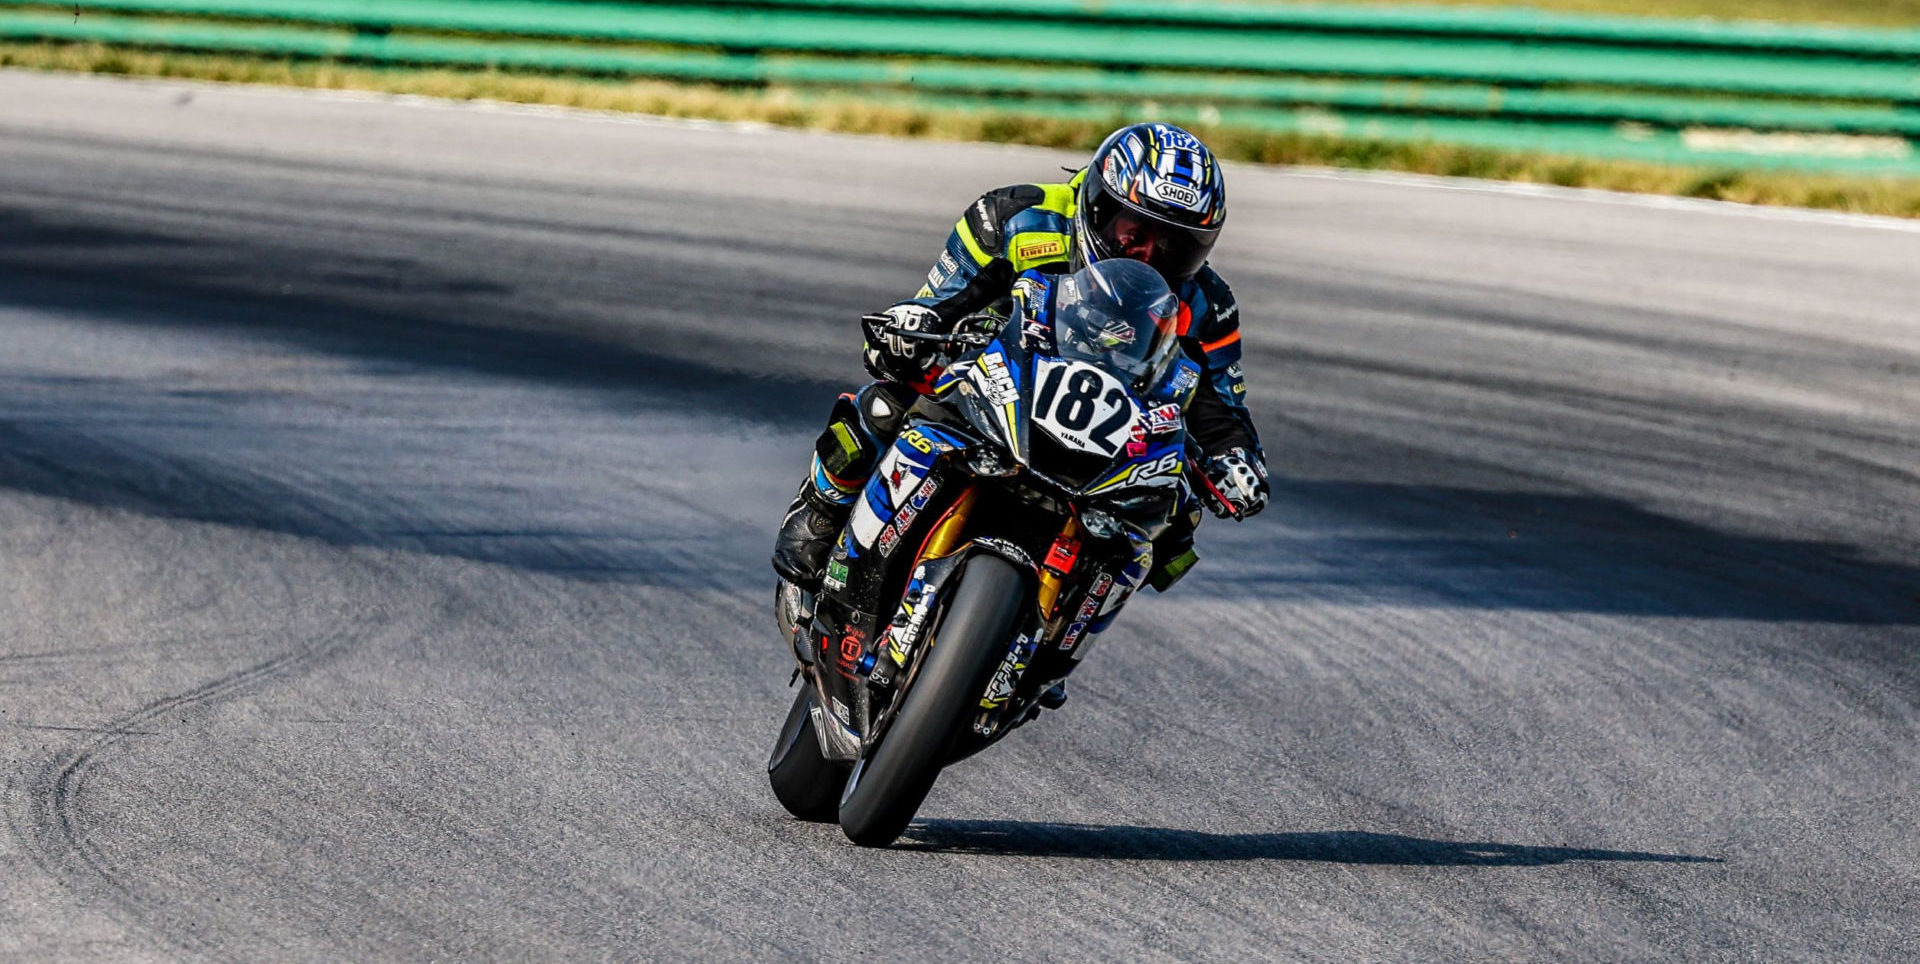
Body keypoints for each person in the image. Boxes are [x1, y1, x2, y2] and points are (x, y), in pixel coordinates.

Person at [772, 122, 1268, 592]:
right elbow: (945, 300)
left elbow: (1219, 401)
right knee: (887, 401)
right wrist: (915, 326)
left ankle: (1053, 650)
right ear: (1098, 207)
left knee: (1171, 528)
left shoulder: (1207, 304)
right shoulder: (1016, 218)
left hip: (1109, 428)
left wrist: (1236, 457)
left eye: (1173, 248)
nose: (1144, 256)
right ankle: (823, 509)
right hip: (989, 377)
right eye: (1133, 233)